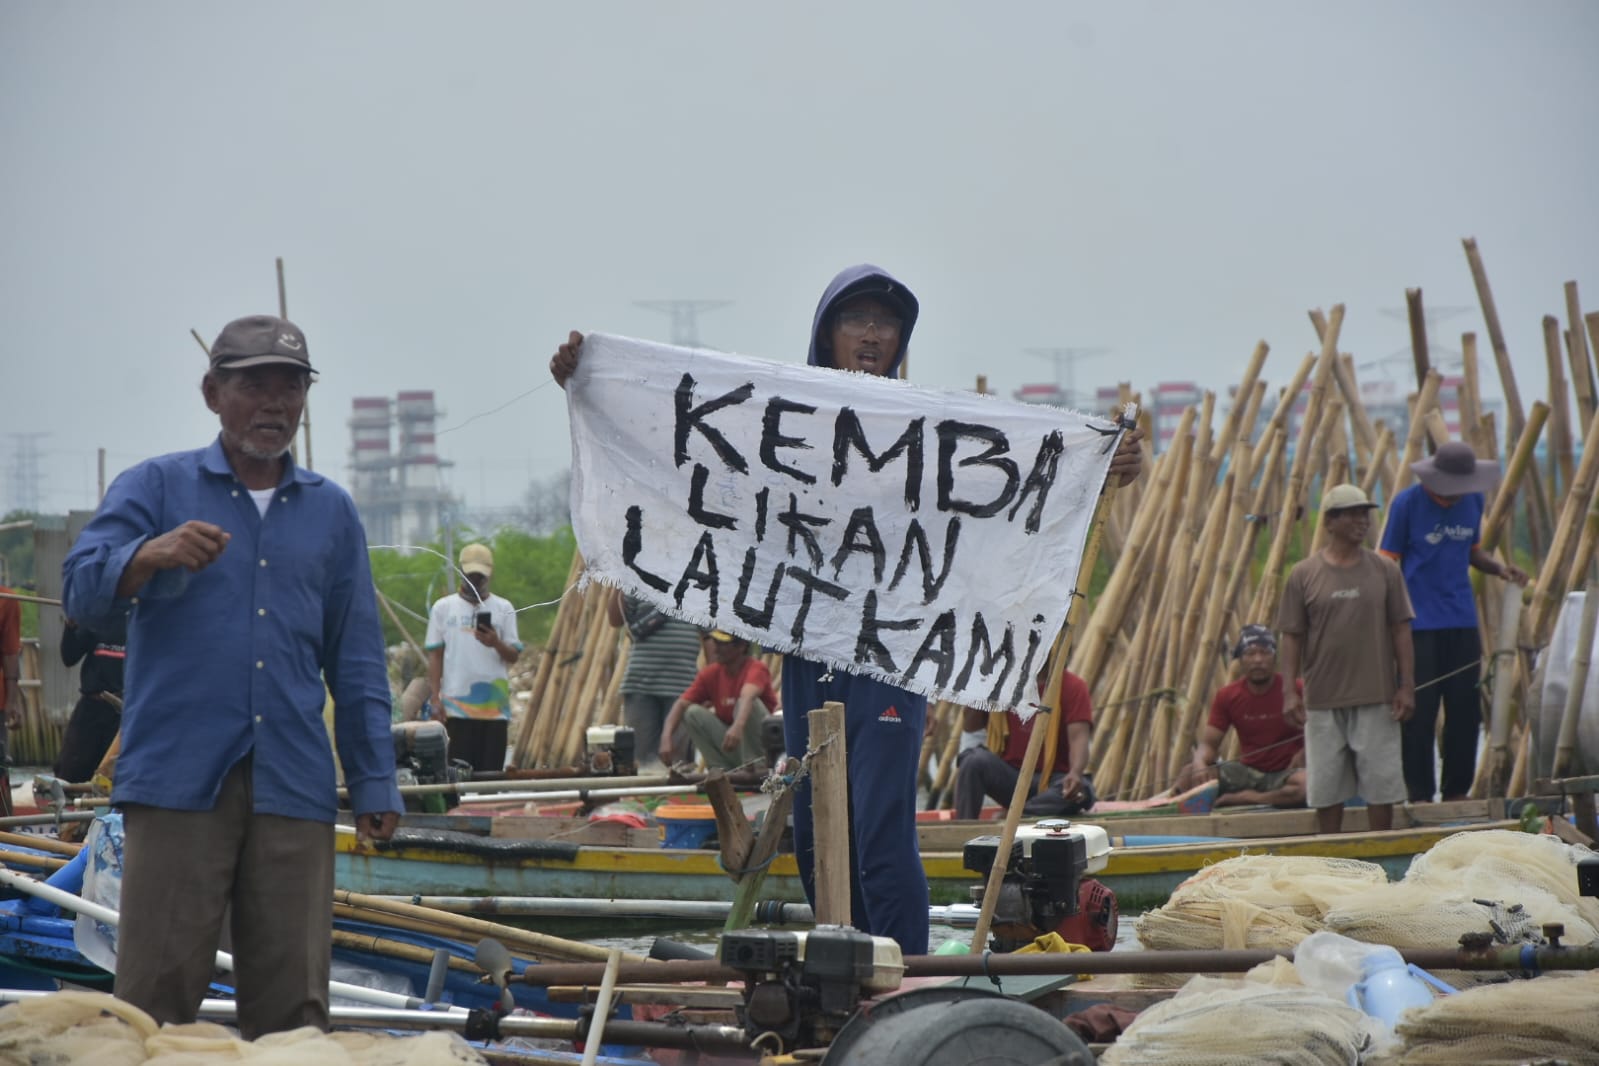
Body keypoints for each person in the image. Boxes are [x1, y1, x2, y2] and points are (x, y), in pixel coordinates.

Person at [549, 263, 1142, 955]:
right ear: (826, 333)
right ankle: (845, 959)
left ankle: (901, 971)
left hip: (893, 657)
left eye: (886, 323)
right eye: (856, 319)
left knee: (880, 830)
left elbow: (1006, 494)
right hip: (811, 655)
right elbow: (683, 452)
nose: (871, 334)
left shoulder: (924, 431)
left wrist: (1094, 467)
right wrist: (592, 382)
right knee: (812, 830)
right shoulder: (785, 427)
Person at [61, 313, 402, 1037]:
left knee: (295, 1013)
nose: (275, 402)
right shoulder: (156, 486)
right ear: (213, 393)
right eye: (254, 385)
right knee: (152, 1003)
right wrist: (147, 556)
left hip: (294, 783)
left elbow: (358, 660)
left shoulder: (332, 512)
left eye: (290, 387)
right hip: (178, 780)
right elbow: (80, 593)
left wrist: (375, 780)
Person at [1379, 441, 1529, 803]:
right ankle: (1419, 792)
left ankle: (1456, 791)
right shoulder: (1406, 504)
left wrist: (1498, 568)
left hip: (1461, 618)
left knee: (1464, 708)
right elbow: (1387, 561)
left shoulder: (1472, 502)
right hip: (1418, 623)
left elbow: (1472, 552)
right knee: (1420, 711)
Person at [1277, 483, 1415, 834]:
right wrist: (1290, 692)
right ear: (1330, 521)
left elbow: (1401, 629)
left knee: (1381, 786)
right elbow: (1292, 636)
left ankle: (1382, 849)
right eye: (1352, 514)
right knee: (1326, 788)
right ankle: (1331, 854)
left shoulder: (1385, 570)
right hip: (1322, 699)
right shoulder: (1304, 574)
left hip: (1377, 696)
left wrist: (1406, 686)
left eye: (1364, 514)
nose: (1361, 521)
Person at [1171, 624, 1306, 808]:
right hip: (1246, 773)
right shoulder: (1228, 696)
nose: (1258, 660)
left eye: (1264, 652)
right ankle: (1169, 813)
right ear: (1240, 659)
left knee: (1305, 786)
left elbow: (1321, 730)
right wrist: (1199, 761)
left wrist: (1305, 752)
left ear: (1275, 657)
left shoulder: (1296, 689)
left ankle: (1250, 799)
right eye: (1250, 653)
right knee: (1189, 774)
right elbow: (1209, 744)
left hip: (1288, 773)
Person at [424, 543, 523, 773]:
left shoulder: (504, 608)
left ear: (490, 575)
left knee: (490, 776)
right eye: (471, 576)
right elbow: (435, 656)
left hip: (494, 710)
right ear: (461, 572)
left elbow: (514, 655)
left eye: (480, 577)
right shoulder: (443, 608)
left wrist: (495, 642)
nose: (475, 581)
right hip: (456, 709)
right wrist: (436, 699)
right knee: (458, 774)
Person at [954, 668, 1096, 820]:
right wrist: (984, 688)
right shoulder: (1002, 682)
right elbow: (970, 726)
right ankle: (964, 826)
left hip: (1055, 783)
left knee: (1083, 790)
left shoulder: (1072, 686)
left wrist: (1075, 773)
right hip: (1013, 779)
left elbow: (1078, 738)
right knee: (972, 761)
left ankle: (1015, 815)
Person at [608, 588, 702, 770]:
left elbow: (710, 637)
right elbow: (615, 620)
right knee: (641, 760)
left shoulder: (698, 585)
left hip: (683, 685)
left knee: (678, 763)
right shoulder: (638, 581)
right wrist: (618, 580)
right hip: (640, 683)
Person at [660, 630, 777, 771]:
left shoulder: (756, 668)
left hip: (763, 749)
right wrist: (666, 737)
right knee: (692, 713)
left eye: (723, 644)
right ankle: (720, 769)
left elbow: (748, 697)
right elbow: (681, 704)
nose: (716, 649)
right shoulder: (711, 673)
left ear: (742, 646)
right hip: (733, 745)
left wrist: (737, 726)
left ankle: (757, 768)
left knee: (748, 704)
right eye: (716, 643)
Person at [53, 614, 127, 784]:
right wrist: (70, 627)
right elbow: (69, 657)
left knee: (114, 774)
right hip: (92, 706)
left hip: (123, 712)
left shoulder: (139, 623)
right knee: (69, 771)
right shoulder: (95, 619)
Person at [0, 582, 19, 815]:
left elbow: (11, 652)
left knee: (1, 770)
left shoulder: (6, 599)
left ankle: (5, 830)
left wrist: (13, 701)